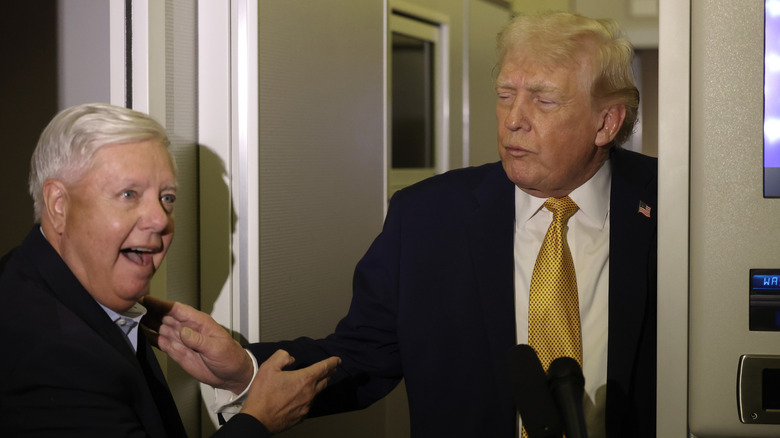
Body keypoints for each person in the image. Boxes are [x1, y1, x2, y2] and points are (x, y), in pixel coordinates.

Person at [146, 11, 657, 438]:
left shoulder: (675, 210)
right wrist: (245, 368)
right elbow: (361, 357)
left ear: (606, 122)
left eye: (543, 99)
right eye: (505, 95)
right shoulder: (427, 217)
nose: (513, 119)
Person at [0, 103, 340, 437]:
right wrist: (258, 422)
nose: (161, 219)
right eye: (129, 194)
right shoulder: (50, 354)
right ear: (59, 205)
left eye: (167, 198)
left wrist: (241, 372)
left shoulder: (46, 282)